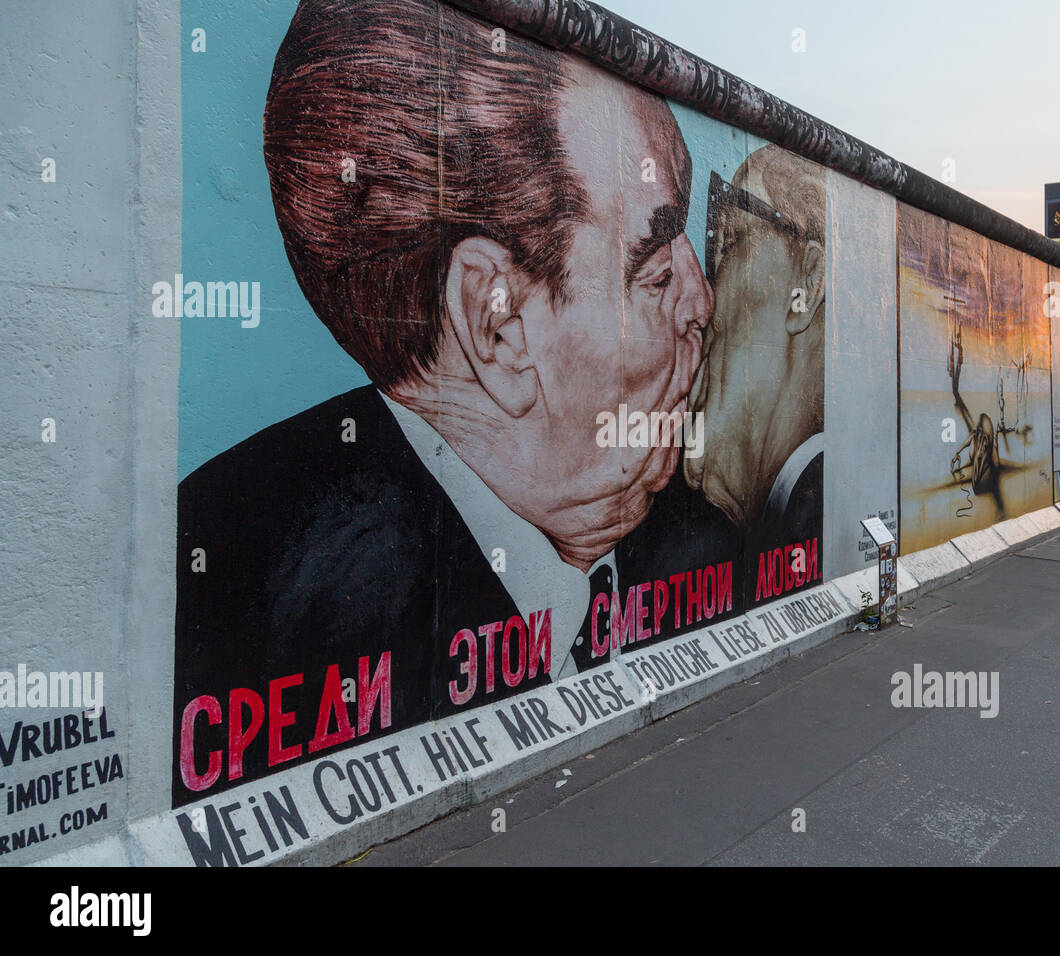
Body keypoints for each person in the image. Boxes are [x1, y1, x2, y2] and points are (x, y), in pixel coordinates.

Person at [173, 0, 715, 802]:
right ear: (495, 324)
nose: (700, 302)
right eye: (656, 273)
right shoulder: (233, 599)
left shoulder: (701, 540)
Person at [684, 145, 826, 606]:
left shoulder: (813, 508)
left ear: (805, 284)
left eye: (729, 243)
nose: (705, 298)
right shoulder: (787, 511)